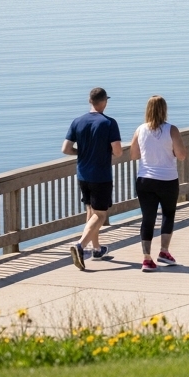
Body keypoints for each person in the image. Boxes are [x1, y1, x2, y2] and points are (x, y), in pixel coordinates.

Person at [126, 95, 188, 272]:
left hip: (145, 180)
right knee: (168, 214)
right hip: (167, 179)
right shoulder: (172, 130)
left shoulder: (140, 129)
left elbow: (134, 155)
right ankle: (164, 251)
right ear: (164, 110)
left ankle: (146, 258)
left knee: (148, 218)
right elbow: (182, 155)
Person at [63, 87, 122, 270]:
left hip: (82, 174)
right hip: (100, 175)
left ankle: (96, 249)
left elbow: (65, 149)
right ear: (104, 101)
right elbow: (118, 151)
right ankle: (80, 246)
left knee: (91, 210)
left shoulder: (77, 121)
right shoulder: (109, 123)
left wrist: (83, 153)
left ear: (90, 101)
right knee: (101, 214)